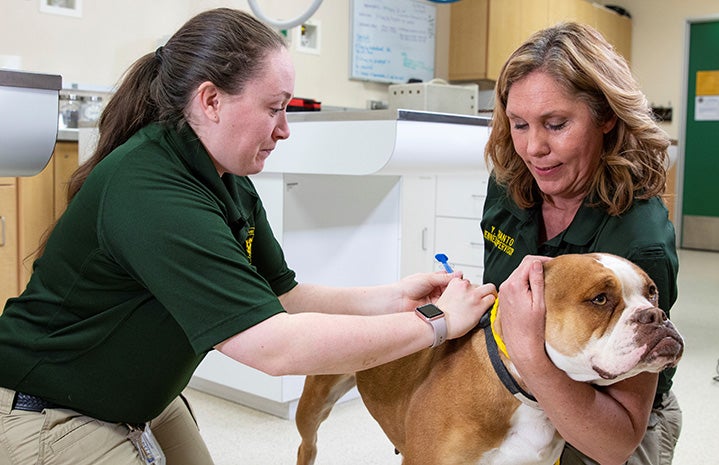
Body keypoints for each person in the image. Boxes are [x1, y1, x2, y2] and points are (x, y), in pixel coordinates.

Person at [0, 8, 497, 465]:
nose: (285, 130)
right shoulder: (151, 188)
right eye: (275, 108)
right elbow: (271, 346)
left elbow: (285, 296)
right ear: (211, 101)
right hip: (51, 413)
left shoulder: (227, 179)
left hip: (137, 402)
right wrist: (435, 323)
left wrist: (393, 297)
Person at [481, 22, 680, 465]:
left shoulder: (639, 239)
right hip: (518, 389)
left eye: (556, 124)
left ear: (606, 116)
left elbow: (614, 443)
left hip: (610, 411)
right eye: (518, 124)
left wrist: (531, 355)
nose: (534, 148)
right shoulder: (511, 184)